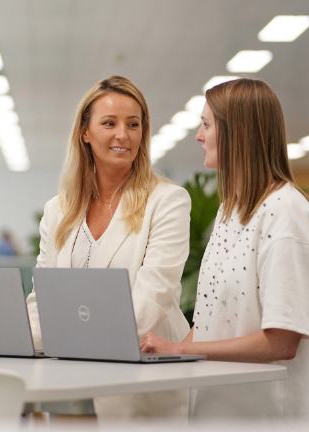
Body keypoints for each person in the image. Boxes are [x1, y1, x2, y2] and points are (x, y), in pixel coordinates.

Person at [140, 78, 309, 423]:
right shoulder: (229, 212)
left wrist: (182, 349)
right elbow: (210, 319)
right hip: (220, 410)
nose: (198, 136)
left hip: (273, 416)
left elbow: (281, 342)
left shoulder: (287, 214)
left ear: (238, 132)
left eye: (206, 125)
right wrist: (168, 352)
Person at [26, 75, 191, 420]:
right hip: (69, 384)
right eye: (109, 123)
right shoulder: (58, 210)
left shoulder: (168, 201)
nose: (123, 135)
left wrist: (72, 340)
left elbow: (154, 294)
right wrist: (16, 339)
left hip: (142, 384)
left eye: (134, 124)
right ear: (85, 132)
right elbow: (44, 299)